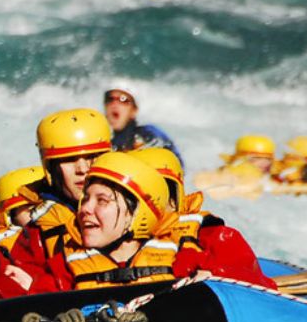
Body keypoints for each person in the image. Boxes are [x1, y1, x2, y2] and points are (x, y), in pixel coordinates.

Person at [0, 108, 113, 297]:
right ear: (51, 168)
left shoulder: (140, 213)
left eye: (92, 157)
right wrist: (35, 287)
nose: (82, 169)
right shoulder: (36, 236)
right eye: (69, 159)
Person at [134, 146, 274, 287]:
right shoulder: (117, 245)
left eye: (153, 196)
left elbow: (260, 289)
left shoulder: (215, 238)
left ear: (174, 199)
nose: (146, 207)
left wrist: (215, 275)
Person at [39, 151, 180, 291]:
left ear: (136, 213)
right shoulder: (62, 268)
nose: (84, 209)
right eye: (86, 199)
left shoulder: (178, 258)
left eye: (102, 201)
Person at [103, 87, 184, 166]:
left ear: (134, 110)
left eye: (123, 99)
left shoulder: (148, 134)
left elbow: (176, 164)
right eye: (110, 99)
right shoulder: (105, 142)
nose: (115, 104)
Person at [0, 165, 45, 255]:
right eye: (32, 209)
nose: (42, 213)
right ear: (10, 216)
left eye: (49, 207)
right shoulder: (5, 245)